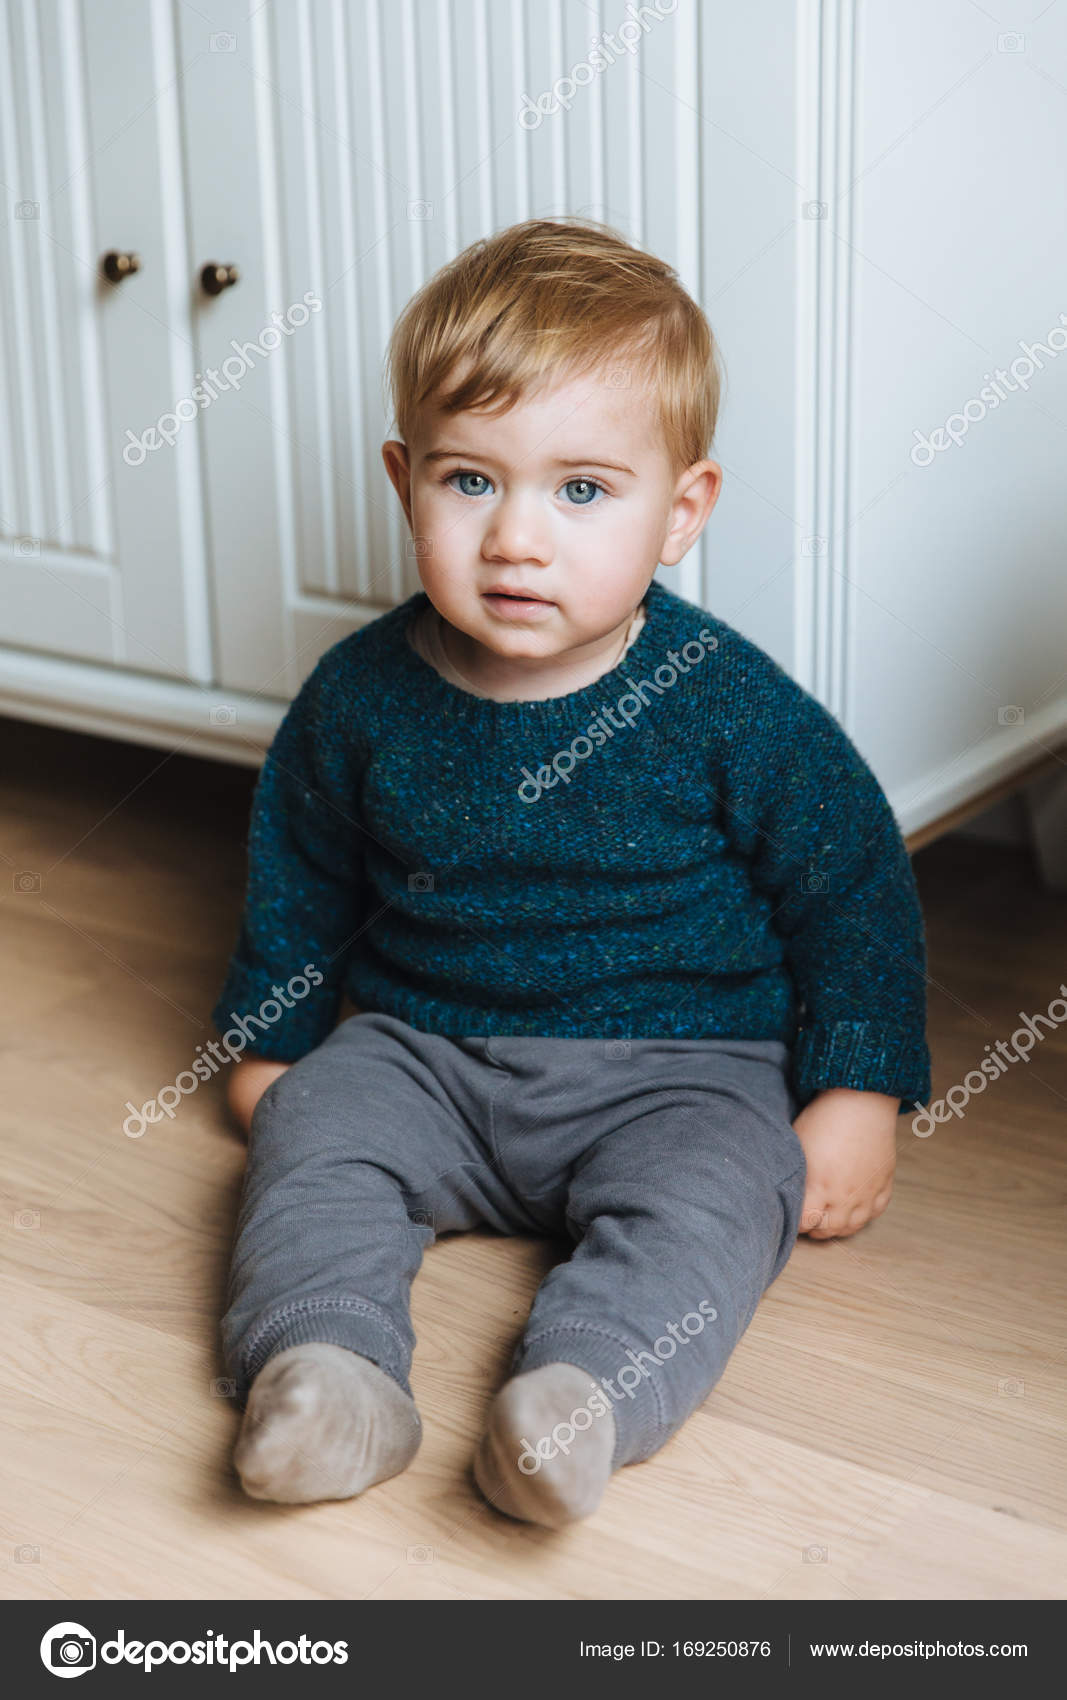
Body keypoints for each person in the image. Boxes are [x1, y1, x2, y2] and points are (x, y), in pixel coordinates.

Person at [211, 217, 931, 1526]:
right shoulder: (358, 697)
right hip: (424, 1052)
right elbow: (300, 878)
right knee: (313, 1142)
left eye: (582, 491)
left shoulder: (726, 705)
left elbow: (852, 890)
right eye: (469, 481)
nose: (515, 539)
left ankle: (582, 1396)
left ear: (681, 512)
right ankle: (325, 1375)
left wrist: (860, 1088)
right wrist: (273, 1041)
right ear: (404, 481)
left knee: (722, 1193)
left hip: (681, 1068)